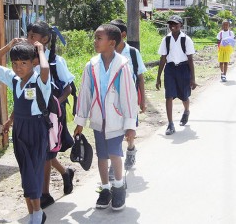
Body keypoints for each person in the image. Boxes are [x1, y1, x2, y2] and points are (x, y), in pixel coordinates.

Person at [73, 24, 138, 211]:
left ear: (111, 43)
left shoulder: (122, 65)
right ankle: (105, 188)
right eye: (95, 38)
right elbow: (85, 93)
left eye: (98, 38)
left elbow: (128, 97)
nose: (95, 41)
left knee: (115, 154)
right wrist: (80, 121)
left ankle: (118, 187)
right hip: (98, 119)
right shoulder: (91, 65)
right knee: (101, 155)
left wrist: (130, 124)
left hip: (116, 119)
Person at [0, 40, 49, 224]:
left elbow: (45, 69)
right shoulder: (13, 78)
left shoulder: (39, 79)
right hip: (19, 129)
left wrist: (40, 49)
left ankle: (37, 214)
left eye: (23, 63)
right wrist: (9, 45)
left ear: (34, 62)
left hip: (36, 129)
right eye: (15, 63)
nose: (18, 67)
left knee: (33, 171)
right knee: (25, 171)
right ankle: (34, 214)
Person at [27, 21, 75, 209]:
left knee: (46, 153)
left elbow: (68, 87)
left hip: (52, 114)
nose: (28, 39)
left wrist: (55, 105)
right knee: (43, 152)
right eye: (28, 35)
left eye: (33, 36)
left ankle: (45, 194)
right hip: (32, 113)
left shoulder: (55, 60)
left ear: (44, 39)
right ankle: (65, 172)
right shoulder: (26, 58)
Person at [109, 19, 147, 171]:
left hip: (129, 99)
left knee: (129, 130)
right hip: (111, 99)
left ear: (123, 34)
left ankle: (131, 148)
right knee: (113, 131)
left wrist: (142, 100)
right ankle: (114, 162)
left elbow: (140, 76)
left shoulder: (132, 52)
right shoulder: (106, 52)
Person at [156, 15, 197, 135]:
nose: (172, 26)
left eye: (175, 24)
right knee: (169, 95)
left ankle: (186, 111)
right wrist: (158, 77)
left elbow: (190, 60)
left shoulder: (186, 39)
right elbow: (163, 58)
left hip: (184, 69)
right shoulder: (166, 39)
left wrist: (193, 78)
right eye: (170, 24)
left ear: (181, 26)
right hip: (170, 69)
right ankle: (170, 124)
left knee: (184, 96)